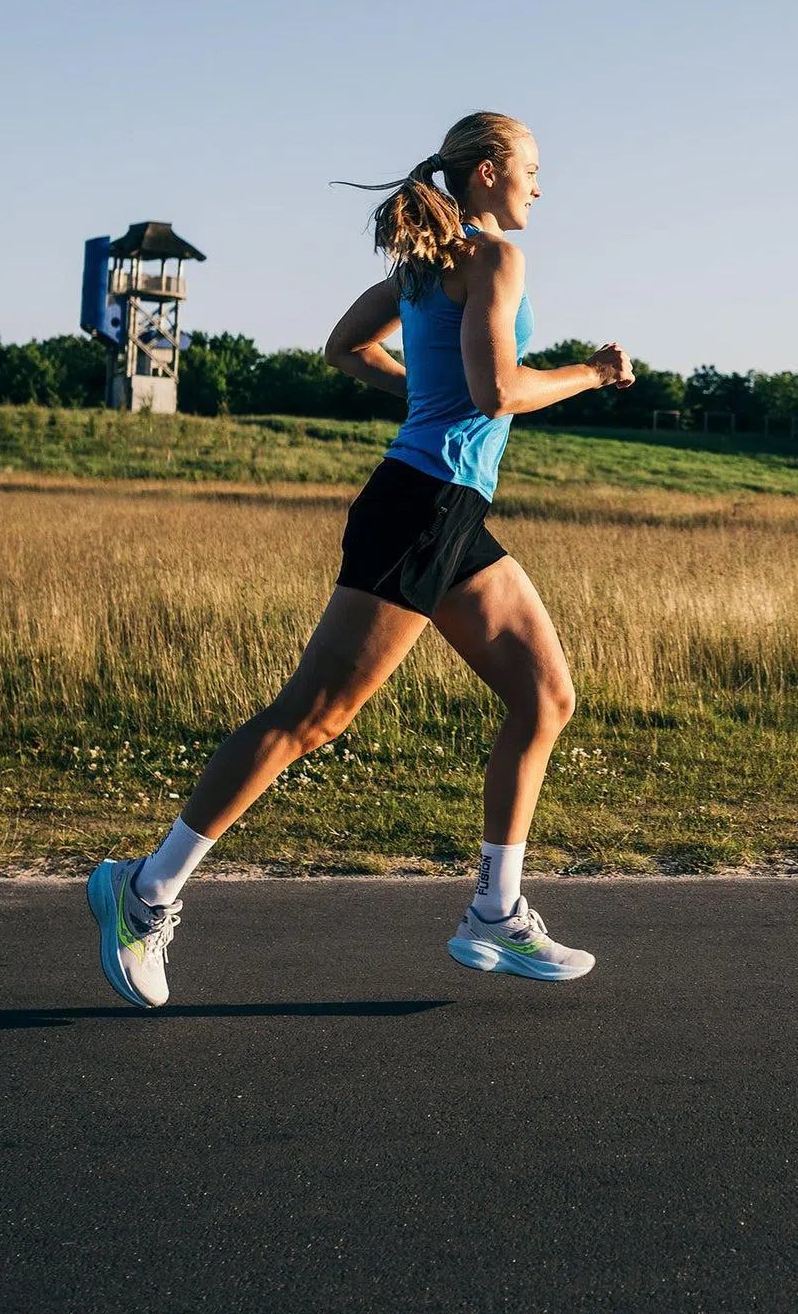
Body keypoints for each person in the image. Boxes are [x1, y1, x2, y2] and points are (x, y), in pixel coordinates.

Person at [87, 110, 635, 1007]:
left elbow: (346, 350)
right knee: (313, 717)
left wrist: (433, 390)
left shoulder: (429, 262)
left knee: (545, 697)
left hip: (450, 516)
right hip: (421, 508)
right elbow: (498, 389)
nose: (541, 184)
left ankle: (495, 915)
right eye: (533, 167)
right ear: (490, 170)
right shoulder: (493, 258)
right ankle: (143, 893)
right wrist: (591, 373)